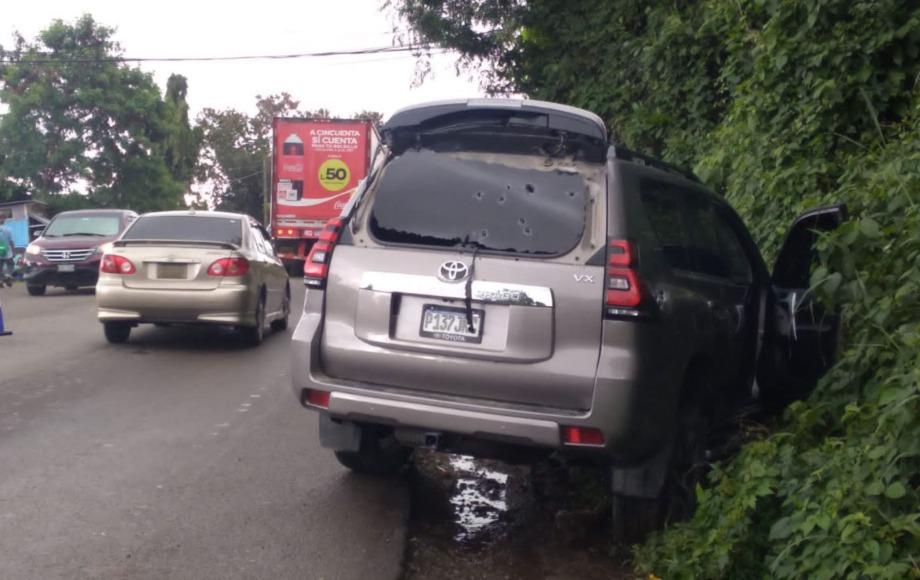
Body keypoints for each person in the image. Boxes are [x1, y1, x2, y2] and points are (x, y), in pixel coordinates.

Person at [0, 221, 14, 287]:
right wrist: (13, 250)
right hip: (8, 252)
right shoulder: (8, 230)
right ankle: (8, 276)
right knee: (10, 265)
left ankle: (1, 280)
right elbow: (11, 241)